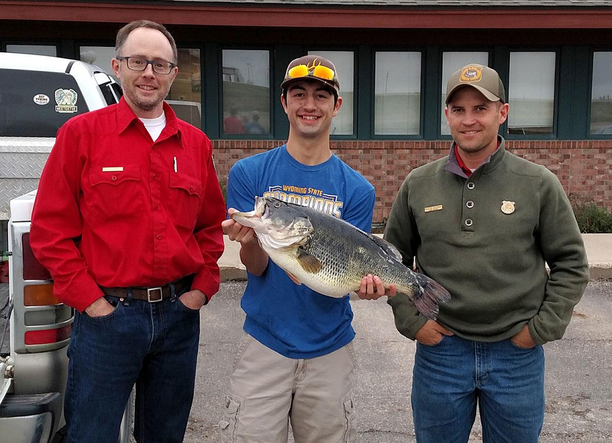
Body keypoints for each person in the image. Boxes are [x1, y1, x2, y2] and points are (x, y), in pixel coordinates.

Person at [29, 20, 225, 443]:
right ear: (117, 66)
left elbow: (210, 226)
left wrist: (201, 290)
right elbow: (50, 230)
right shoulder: (80, 136)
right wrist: (91, 302)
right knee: (92, 435)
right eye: (139, 62)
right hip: (107, 320)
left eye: (160, 64)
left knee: (165, 435)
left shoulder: (195, 144)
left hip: (178, 317)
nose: (149, 73)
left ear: (175, 73)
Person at [384, 63, 589, 442]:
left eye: (481, 108)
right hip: (441, 353)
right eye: (458, 109)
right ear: (447, 114)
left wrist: (539, 329)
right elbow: (390, 260)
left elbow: (571, 264)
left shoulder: (538, 184)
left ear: (503, 112)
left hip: (516, 356)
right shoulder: (418, 184)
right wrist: (412, 322)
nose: (469, 120)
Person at [220, 54, 395, 443]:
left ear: (337, 106)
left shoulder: (358, 190)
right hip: (265, 343)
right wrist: (250, 243)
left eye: (321, 95)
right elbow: (256, 268)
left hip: (329, 348)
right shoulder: (249, 175)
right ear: (284, 103)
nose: (309, 105)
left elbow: (348, 270)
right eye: (299, 94)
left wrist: (365, 287)